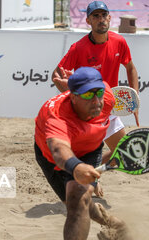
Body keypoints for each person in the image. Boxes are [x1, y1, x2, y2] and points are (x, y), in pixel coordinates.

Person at [34, 67, 129, 240]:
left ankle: (117, 226)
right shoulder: (57, 117)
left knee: (78, 202)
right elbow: (58, 149)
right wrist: (75, 166)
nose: (95, 101)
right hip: (51, 157)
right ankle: (115, 224)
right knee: (78, 203)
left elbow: (105, 94)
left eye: (98, 92)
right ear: (73, 96)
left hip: (89, 149)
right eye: (87, 95)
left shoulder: (106, 97)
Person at [52, 1, 139, 169]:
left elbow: (131, 68)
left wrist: (134, 96)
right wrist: (75, 96)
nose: (101, 19)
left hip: (108, 108)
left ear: (110, 18)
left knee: (126, 154)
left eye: (104, 15)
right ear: (88, 21)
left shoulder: (119, 42)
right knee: (78, 162)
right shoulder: (78, 48)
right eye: (96, 16)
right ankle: (86, 176)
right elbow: (56, 75)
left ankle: (93, 173)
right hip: (87, 112)